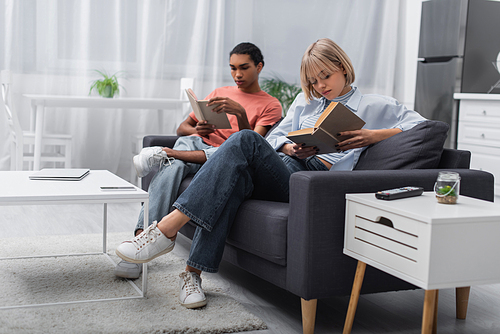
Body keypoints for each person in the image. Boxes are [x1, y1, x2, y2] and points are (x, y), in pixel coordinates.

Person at [115, 38, 426, 309]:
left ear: (343, 67)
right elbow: (276, 138)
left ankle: (166, 229)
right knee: (235, 175)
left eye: (326, 76)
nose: (321, 86)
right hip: (285, 168)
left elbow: (422, 125)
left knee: (245, 138)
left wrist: (374, 135)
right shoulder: (307, 103)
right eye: (314, 81)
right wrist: (290, 148)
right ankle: (192, 276)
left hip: (313, 181)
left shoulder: (374, 105)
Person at [114, 42, 282, 280]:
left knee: (177, 160)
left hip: (223, 156)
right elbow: (182, 128)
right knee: (174, 165)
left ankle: (164, 155)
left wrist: (240, 113)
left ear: (259, 66)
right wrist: (199, 129)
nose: (237, 74)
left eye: (244, 68)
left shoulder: (270, 104)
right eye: (233, 68)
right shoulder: (218, 92)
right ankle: (142, 239)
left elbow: (254, 144)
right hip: (198, 146)